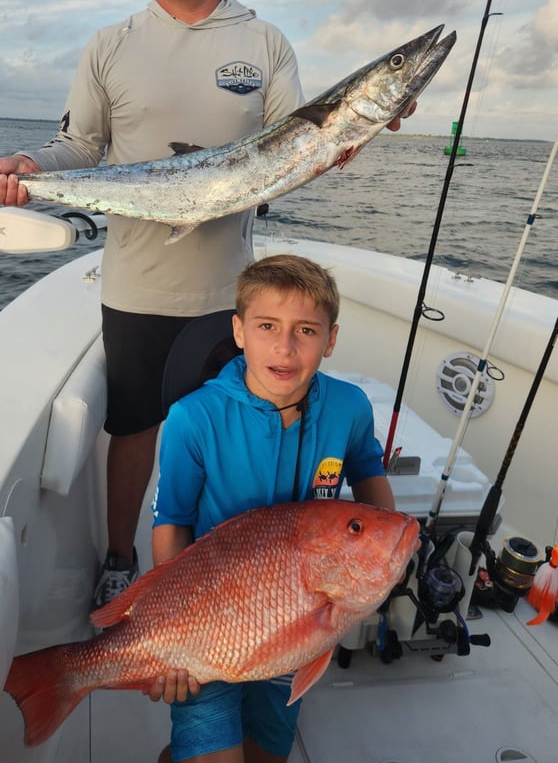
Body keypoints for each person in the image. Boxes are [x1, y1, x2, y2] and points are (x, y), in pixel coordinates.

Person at [0, 0, 412, 610]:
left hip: (227, 292)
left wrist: (354, 135)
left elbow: (298, 139)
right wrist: (27, 169)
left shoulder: (263, 41)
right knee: (134, 428)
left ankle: (222, 574)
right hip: (137, 282)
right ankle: (122, 557)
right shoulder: (111, 45)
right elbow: (79, 145)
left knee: (230, 435)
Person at [149, 253, 395, 763]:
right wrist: (171, 634)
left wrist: (388, 557)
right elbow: (171, 523)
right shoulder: (192, 419)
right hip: (208, 614)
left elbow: (370, 473)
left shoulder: (349, 408)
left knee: (268, 754)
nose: (284, 346)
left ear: (330, 340)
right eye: (267, 326)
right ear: (239, 332)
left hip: (297, 617)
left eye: (306, 330)